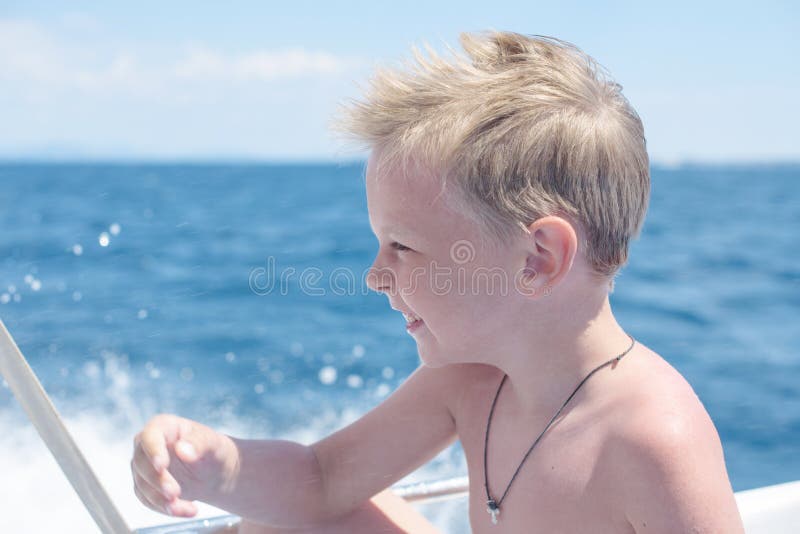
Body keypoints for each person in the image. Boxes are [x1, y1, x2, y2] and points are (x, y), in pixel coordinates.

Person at [131, 30, 745, 533]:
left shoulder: (653, 442)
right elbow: (321, 481)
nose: (374, 276)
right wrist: (216, 467)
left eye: (402, 245)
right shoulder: (470, 378)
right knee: (286, 524)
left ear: (538, 258)